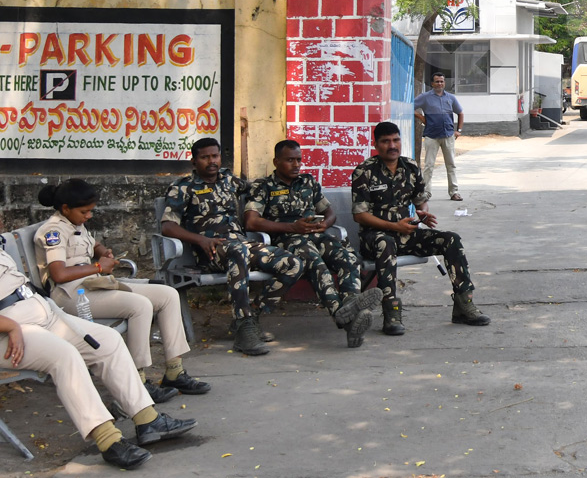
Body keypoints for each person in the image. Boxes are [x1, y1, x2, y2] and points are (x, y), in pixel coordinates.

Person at [0, 226, 195, 469]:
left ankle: (147, 420)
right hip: (10, 331)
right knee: (64, 356)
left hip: (39, 312)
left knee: (108, 340)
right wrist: (11, 326)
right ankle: (108, 440)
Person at [34, 179, 210, 404]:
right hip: (69, 295)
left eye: (91, 211)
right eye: (84, 212)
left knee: (167, 295)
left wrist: (102, 251)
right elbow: (59, 274)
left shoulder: (75, 223)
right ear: (66, 208)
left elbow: (90, 243)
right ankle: (137, 381)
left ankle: (174, 372)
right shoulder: (53, 231)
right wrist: (98, 267)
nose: (89, 216)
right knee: (140, 306)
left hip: (92, 286)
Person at [160, 137, 309, 356]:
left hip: (241, 245)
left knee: (293, 263)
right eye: (205, 157)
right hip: (211, 251)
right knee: (238, 251)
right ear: (194, 161)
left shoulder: (229, 180)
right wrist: (200, 240)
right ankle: (244, 328)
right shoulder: (183, 188)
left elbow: (258, 190)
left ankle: (250, 319)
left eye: (215, 156)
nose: (212, 161)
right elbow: (167, 226)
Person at [351, 121, 490, 335]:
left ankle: (464, 305)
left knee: (451, 239)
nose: (392, 145)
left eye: (396, 140)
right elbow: (360, 215)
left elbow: (420, 200)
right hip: (375, 238)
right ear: (376, 145)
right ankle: (392, 313)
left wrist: (422, 213)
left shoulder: (410, 167)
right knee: (385, 242)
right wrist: (393, 226)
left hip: (407, 233)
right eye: (386, 141)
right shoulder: (365, 171)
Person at [243, 140, 382, 347]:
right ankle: (346, 319)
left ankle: (351, 303)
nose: (296, 165)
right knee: (318, 266)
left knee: (347, 258)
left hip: (315, 235)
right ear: (276, 162)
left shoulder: (308, 182)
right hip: (287, 239)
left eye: (299, 160)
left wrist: (325, 224)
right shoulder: (263, 186)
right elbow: (251, 222)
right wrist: (292, 227)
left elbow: (329, 212)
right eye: (290, 160)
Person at [413, 71, 465, 201]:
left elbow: (460, 113)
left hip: (448, 135)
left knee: (451, 165)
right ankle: (426, 193)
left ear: (444, 83)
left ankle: (454, 192)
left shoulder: (450, 98)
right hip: (431, 136)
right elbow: (410, 106)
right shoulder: (425, 97)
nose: (439, 84)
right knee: (429, 166)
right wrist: (421, 117)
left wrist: (458, 130)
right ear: (432, 83)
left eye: (442, 81)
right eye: (437, 81)